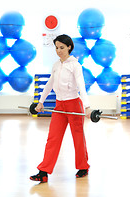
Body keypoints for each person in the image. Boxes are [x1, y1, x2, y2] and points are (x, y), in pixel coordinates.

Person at [30, 34, 91, 183]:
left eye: (62, 47)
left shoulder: (75, 65)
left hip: (73, 104)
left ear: (69, 47)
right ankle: (43, 172)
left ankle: (83, 166)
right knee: (53, 138)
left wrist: (88, 107)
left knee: (78, 138)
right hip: (59, 105)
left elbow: (81, 86)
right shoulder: (56, 65)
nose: (58, 50)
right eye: (56, 48)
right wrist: (40, 102)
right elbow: (50, 84)